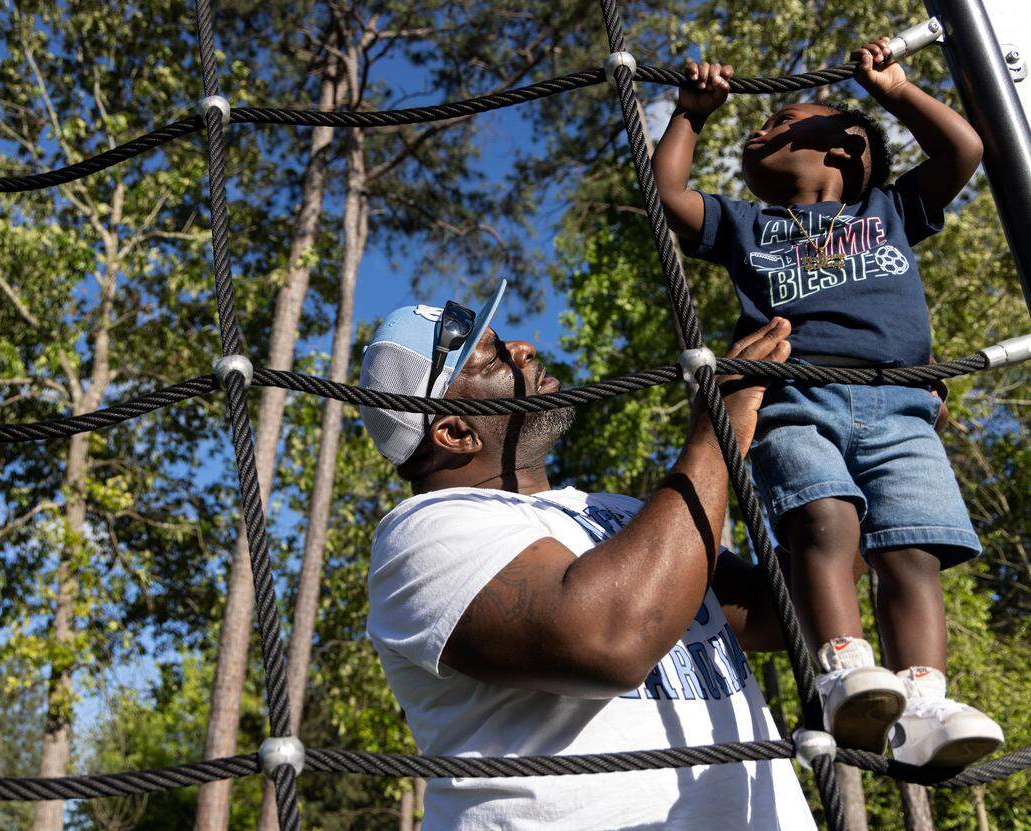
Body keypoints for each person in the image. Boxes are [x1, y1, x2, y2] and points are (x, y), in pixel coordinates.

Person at [650, 36, 1004, 765]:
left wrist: (896, 93)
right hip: (798, 396)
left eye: (786, 120)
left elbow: (963, 151)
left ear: (845, 149)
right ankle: (844, 669)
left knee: (912, 553)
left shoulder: (893, 208)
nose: (765, 127)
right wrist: (691, 116)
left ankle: (925, 699)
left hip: (902, 407)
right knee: (823, 521)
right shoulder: (752, 226)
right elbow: (669, 198)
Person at [359, 282, 815, 830]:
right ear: (455, 432)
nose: (524, 348)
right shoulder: (422, 534)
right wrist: (718, 430)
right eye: (490, 357)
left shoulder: (619, 512)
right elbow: (612, 641)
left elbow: (777, 613)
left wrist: (850, 449)